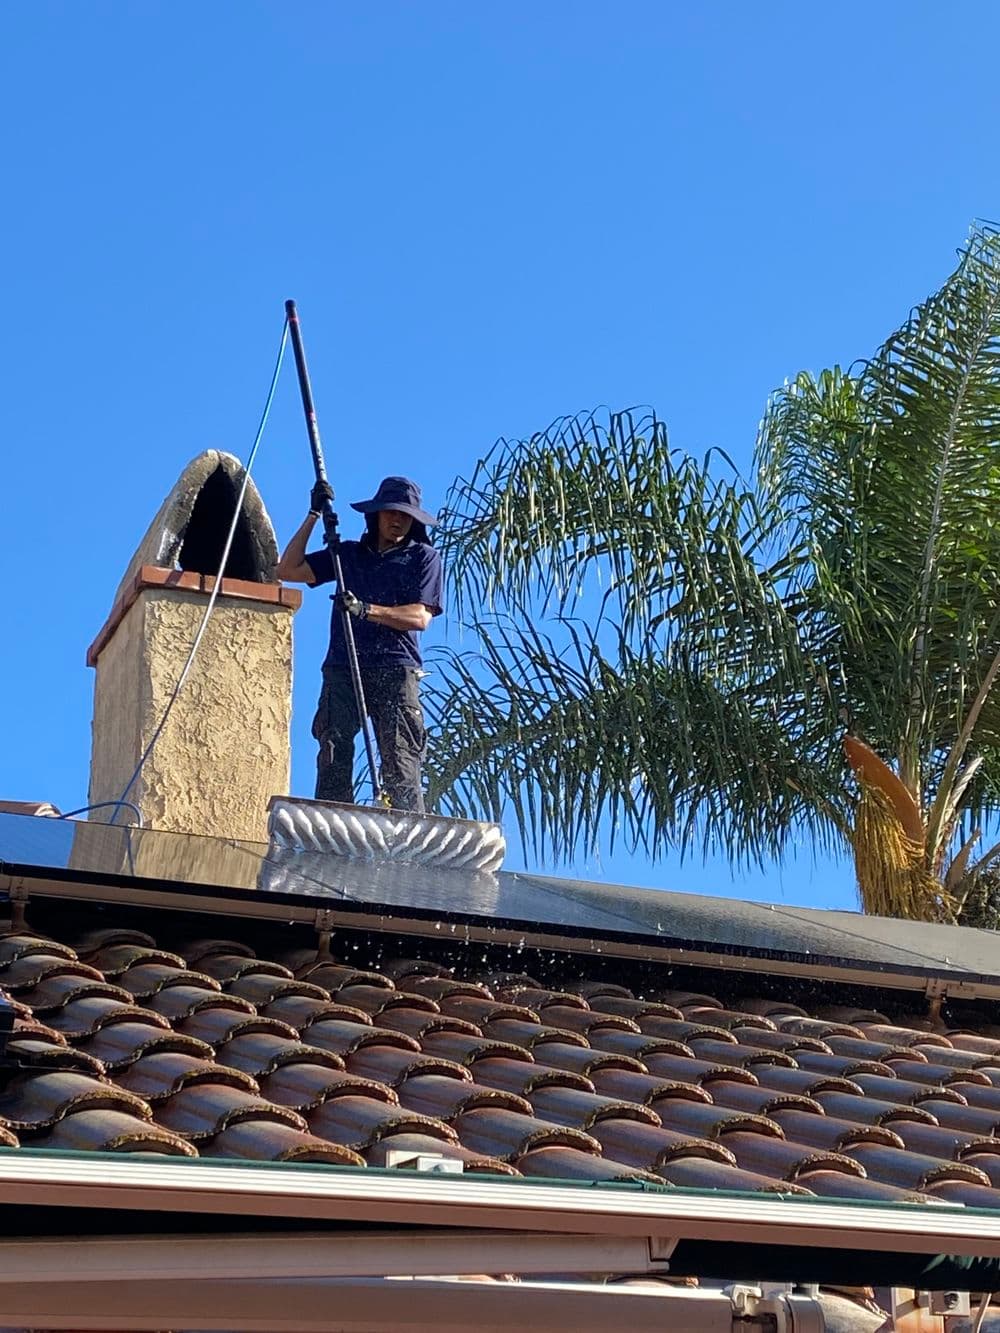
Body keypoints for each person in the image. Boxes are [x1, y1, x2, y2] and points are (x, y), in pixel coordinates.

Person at [275, 475, 443, 813]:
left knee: (400, 754)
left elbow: (419, 617)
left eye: (405, 516)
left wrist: (366, 611)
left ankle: (408, 824)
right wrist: (313, 514)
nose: (397, 521)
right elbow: (287, 568)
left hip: (395, 668)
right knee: (334, 745)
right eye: (391, 513)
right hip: (344, 666)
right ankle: (333, 816)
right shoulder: (347, 555)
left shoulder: (423, 558)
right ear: (376, 515)